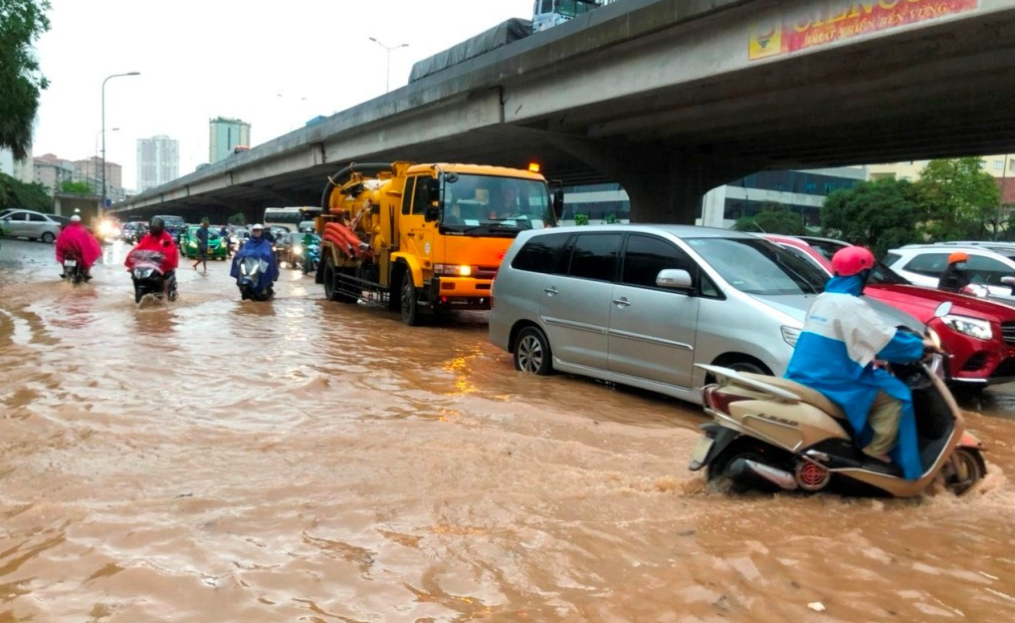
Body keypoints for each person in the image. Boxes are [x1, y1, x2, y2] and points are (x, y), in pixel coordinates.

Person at [784, 246, 937, 481]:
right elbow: (886, 341)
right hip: (834, 380)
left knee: (879, 382)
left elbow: (844, 339)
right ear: (862, 275)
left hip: (804, 374)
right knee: (898, 396)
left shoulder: (822, 299)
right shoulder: (852, 305)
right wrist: (921, 347)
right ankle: (876, 455)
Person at [124, 216, 180, 292]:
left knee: (168, 276)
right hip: (148, 263)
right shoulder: (148, 237)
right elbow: (140, 247)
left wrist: (165, 256)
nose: (154, 229)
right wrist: (133, 254)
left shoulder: (166, 237)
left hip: (161, 264)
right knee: (134, 273)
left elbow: (171, 249)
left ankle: (168, 291)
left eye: (156, 227)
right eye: (153, 227)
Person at [230, 223, 279, 295]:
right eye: (255, 231)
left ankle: (264, 288)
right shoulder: (249, 242)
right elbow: (243, 251)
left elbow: (267, 253)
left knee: (263, 274)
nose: (256, 232)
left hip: (261, 266)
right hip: (248, 265)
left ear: (261, 232)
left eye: (258, 231)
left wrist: (262, 256)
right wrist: (239, 255)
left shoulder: (265, 243)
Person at [55, 215, 102, 280]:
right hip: (77, 254)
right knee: (86, 260)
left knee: (63, 260)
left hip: (67, 253)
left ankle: (64, 272)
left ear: (71, 221)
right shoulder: (83, 231)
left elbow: (59, 243)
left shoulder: (65, 230)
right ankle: (86, 273)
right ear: (80, 221)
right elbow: (90, 244)